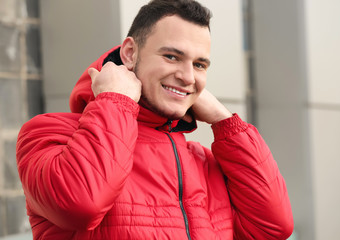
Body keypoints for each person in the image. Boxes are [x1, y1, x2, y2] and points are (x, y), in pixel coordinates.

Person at [16, 0, 294, 239]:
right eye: (172, 56)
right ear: (129, 53)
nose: (188, 77)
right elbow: (81, 204)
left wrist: (225, 122)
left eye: (199, 65)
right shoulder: (48, 133)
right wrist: (115, 100)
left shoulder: (205, 161)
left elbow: (273, 228)